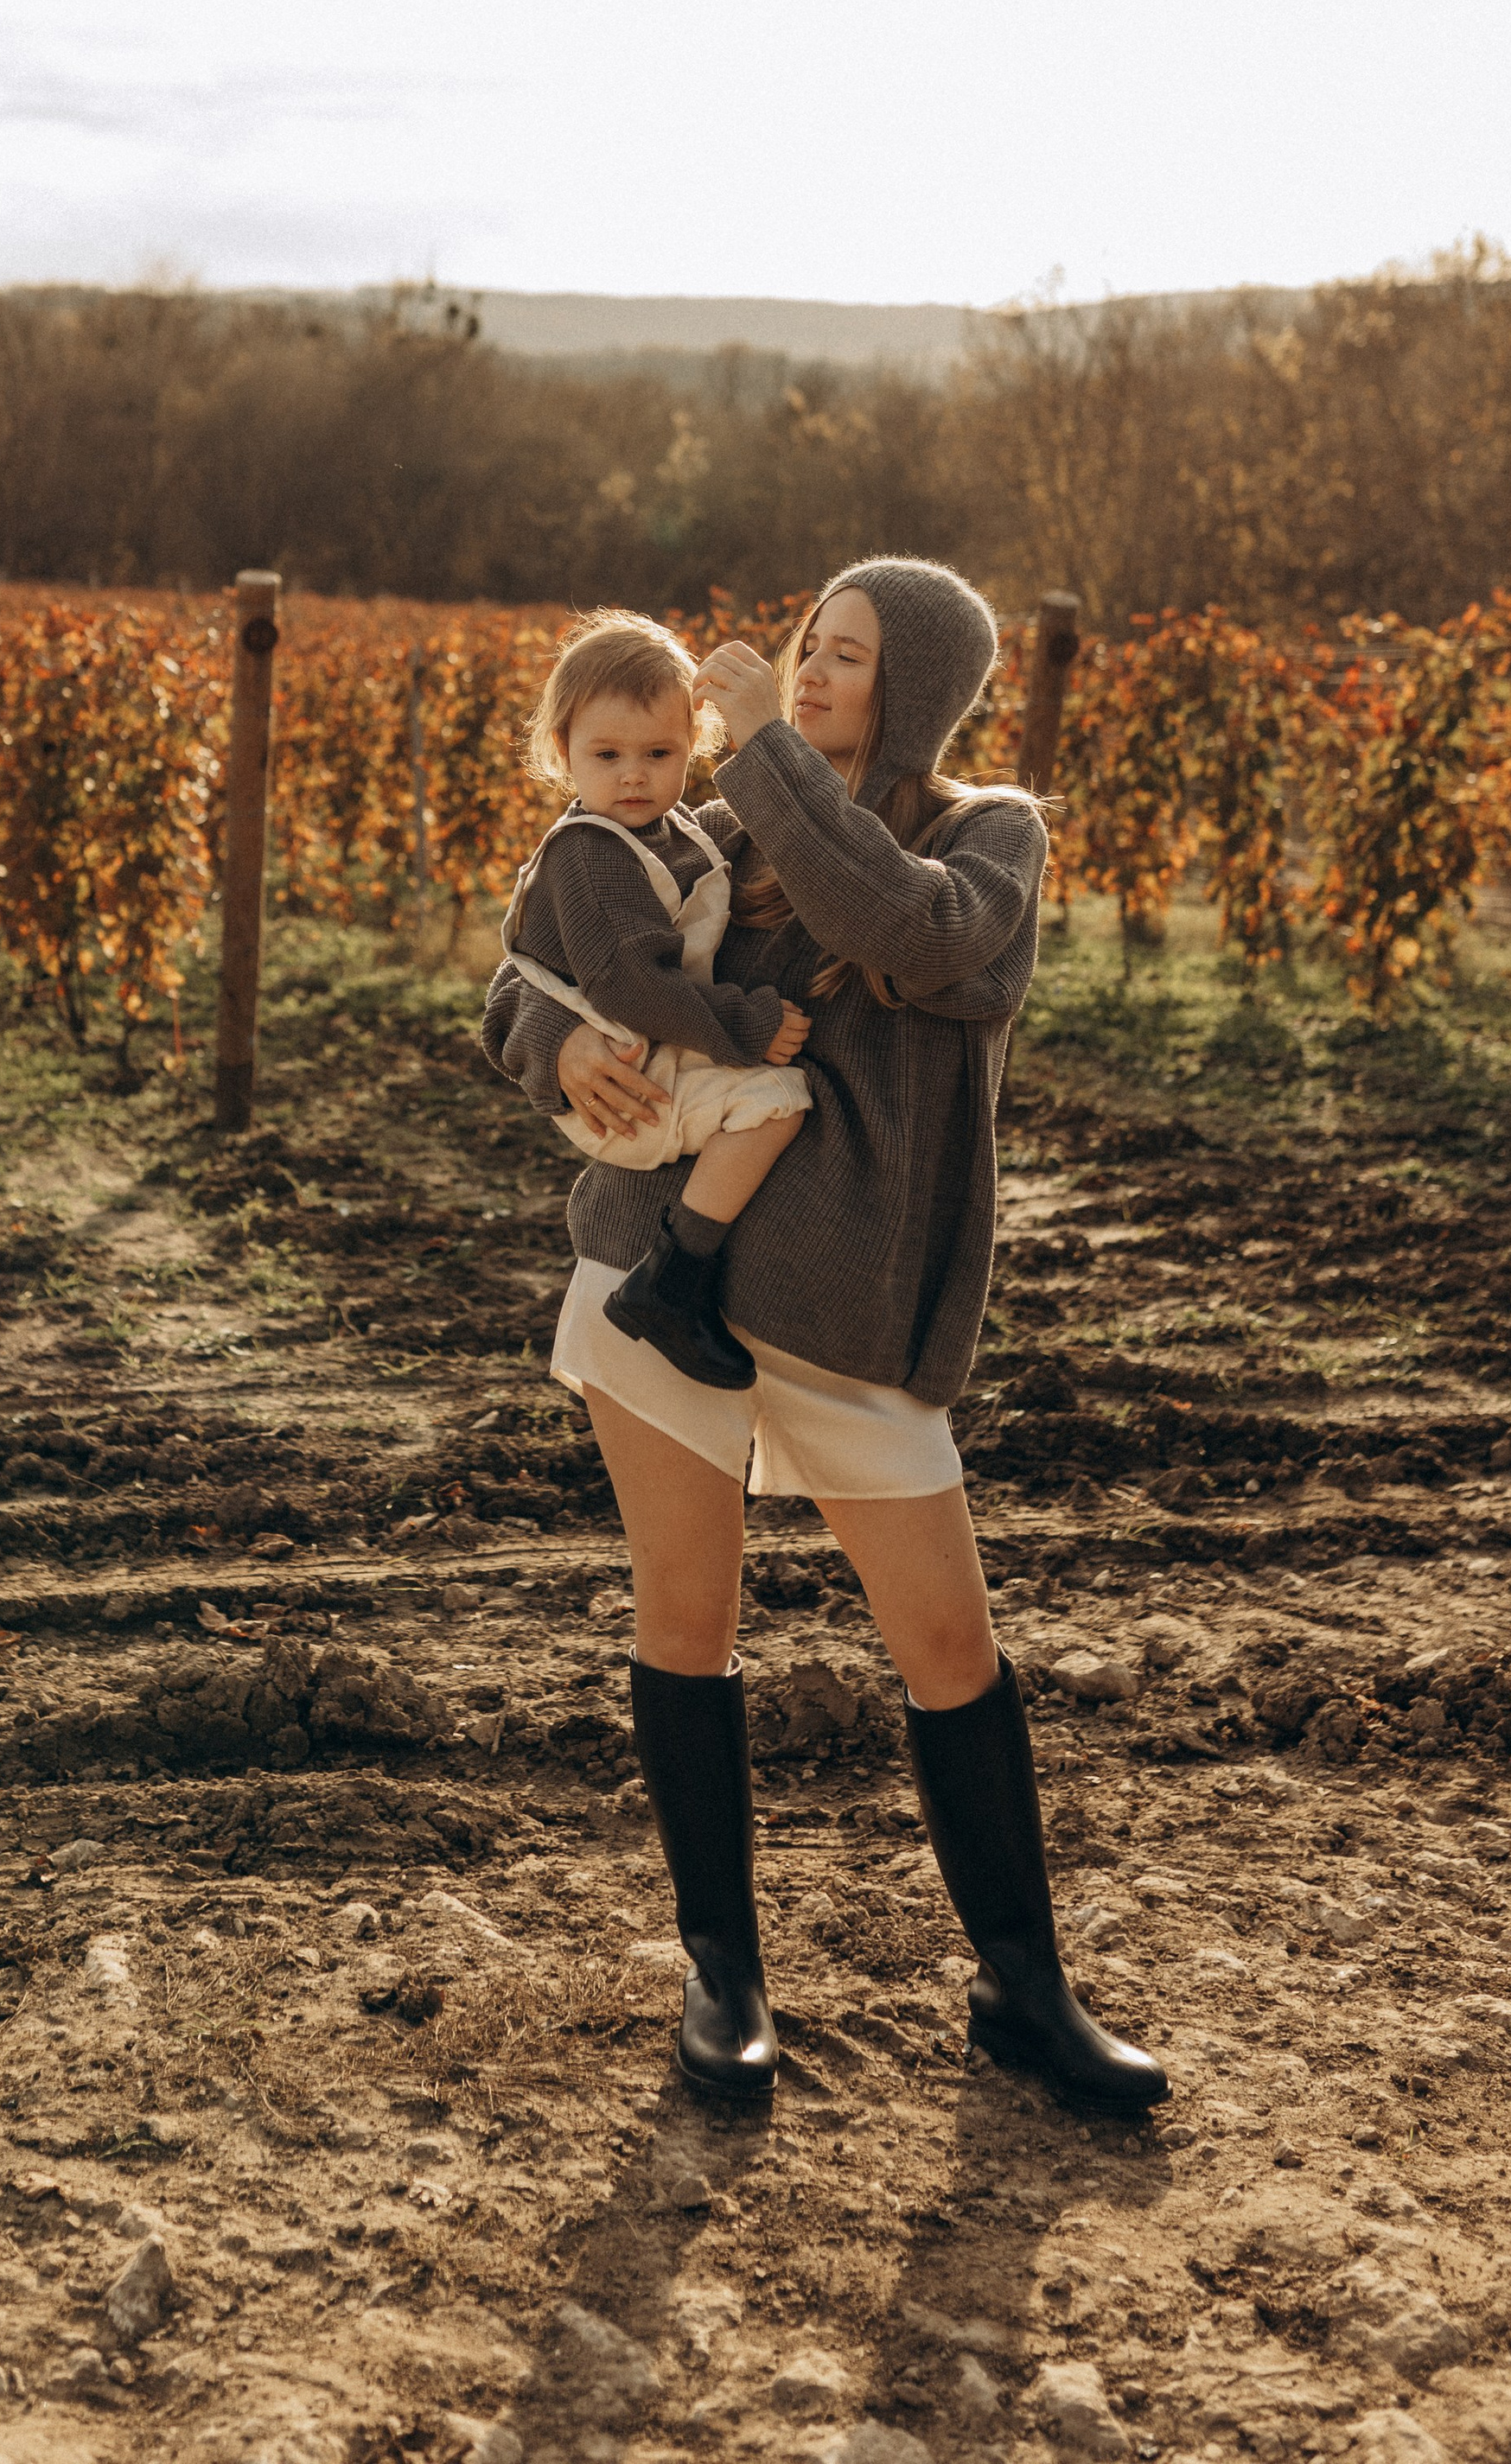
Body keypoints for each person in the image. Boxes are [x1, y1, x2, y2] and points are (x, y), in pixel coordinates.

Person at [483, 556, 1170, 2117]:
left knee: (946, 1648)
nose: (806, 674)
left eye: (846, 657)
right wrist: (562, 1044)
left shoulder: (988, 837)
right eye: (807, 647)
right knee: (689, 1622)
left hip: (852, 1314)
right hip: (660, 1279)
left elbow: (908, 933)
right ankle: (723, 1981)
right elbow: (528, 960)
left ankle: (1025, 1991)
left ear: (916, 685)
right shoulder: (705, 830)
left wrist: (763, 767)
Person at [500, 609, 815, 1389]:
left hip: (649, 1057)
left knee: (773, 1101)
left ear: (693, 748)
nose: (633, 775)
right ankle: (675, 1278)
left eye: (658, 753)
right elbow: (632, 984)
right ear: (562, 753)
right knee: (779, 1098)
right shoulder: (591, 854)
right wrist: (745, 1025)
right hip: (624, 1087)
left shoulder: (677, 833)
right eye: (606, 755)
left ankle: (682, 1271)